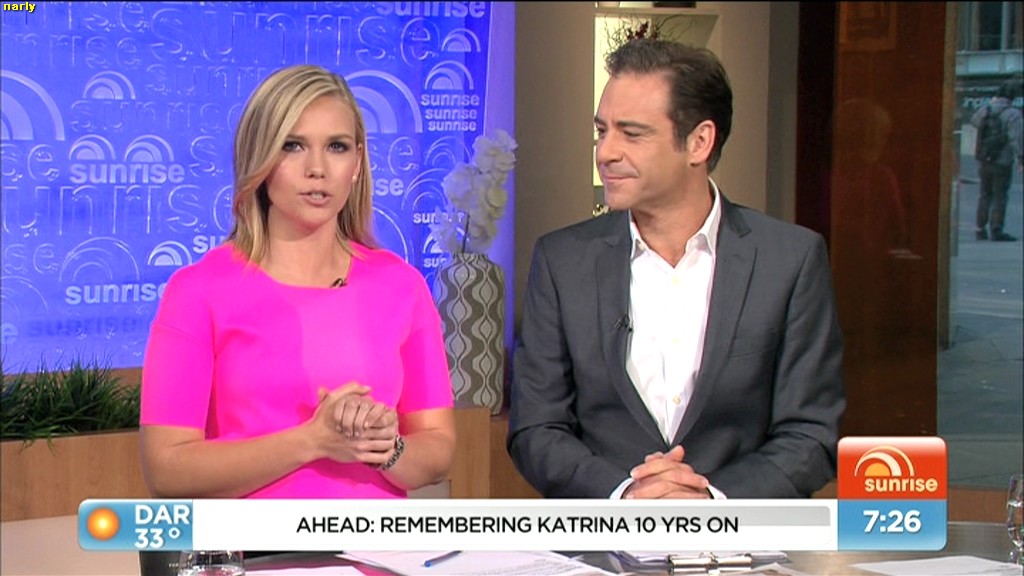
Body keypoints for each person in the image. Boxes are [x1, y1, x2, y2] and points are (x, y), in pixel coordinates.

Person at [508, 39, 845, 499]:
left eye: (632, 134)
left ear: (699, 142)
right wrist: (625, 494)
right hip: (605, 535)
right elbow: (536, 428)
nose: (605, 152)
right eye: (602, 131)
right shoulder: (562, 261)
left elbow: (810, 434)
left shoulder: (790, 260)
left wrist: (711, 502)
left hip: (741, 536)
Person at [139, 64, 456, 499]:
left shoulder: (402, 287)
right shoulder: (198, 292)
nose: (317, 168)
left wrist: (386, 446)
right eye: (293, 145)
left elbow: (438, 452)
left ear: (357, 163)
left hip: (373, 540)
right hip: (254, 542)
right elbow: (167, 471)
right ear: (261, 159)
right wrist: (311, 441)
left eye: (337, 147)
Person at [970, 79, 1023, 242]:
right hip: (1002, 160)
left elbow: (973, 121)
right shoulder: (1013, 114)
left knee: (984, 194)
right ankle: (996, 229)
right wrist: (1021, 158)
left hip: (984, 158)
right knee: (1000, 196)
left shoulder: (985, 109)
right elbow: (1016, 139)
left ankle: (980, 229)